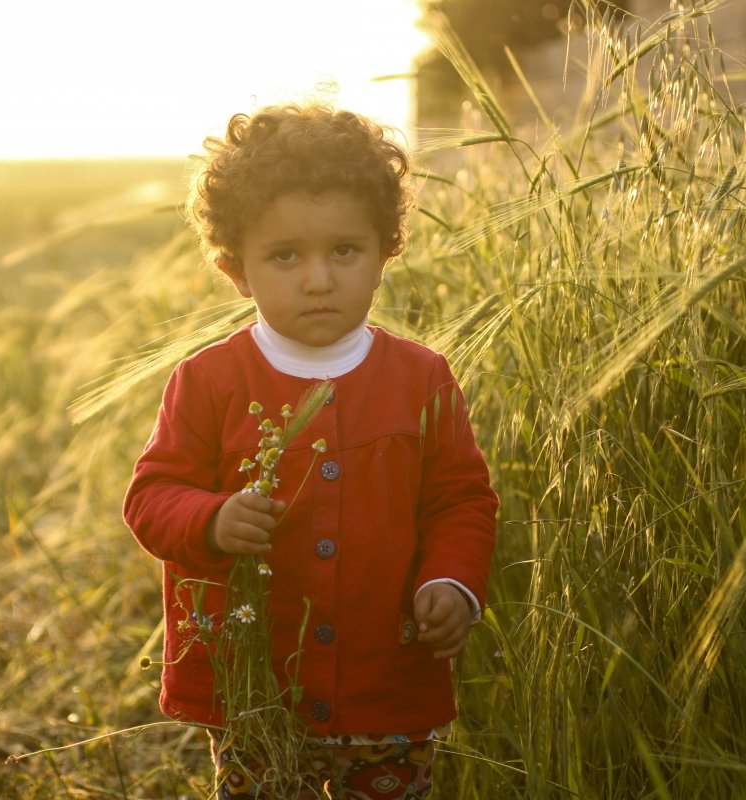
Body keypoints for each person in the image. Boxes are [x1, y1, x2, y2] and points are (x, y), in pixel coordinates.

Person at [123, 104, 498, 799]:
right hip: (258, 692)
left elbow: (460, 500)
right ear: (237, 269)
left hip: (388, 685)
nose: (318, 279)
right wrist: (211, 520)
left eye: (345, 251)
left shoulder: (423, 378)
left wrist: (452, 581)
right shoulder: (207, 381)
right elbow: (150, 499)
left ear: (387, 253)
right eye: (285, 255)